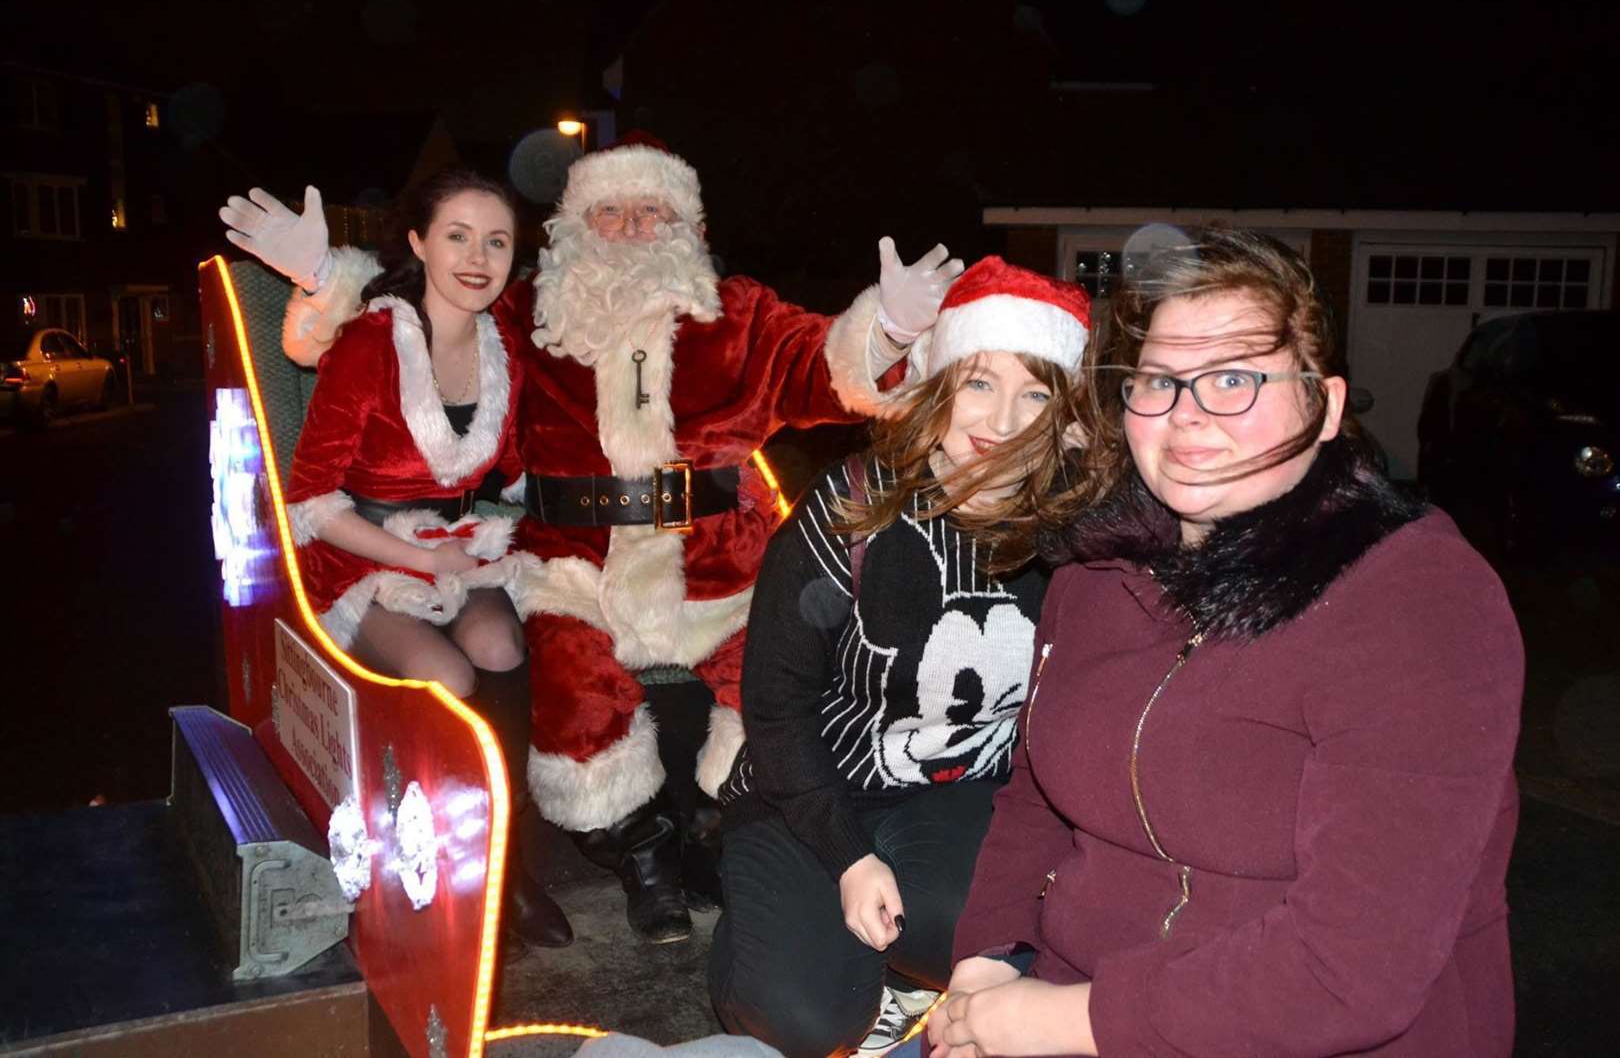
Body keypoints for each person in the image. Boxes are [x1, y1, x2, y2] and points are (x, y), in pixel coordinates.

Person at [220, 136, 962, 945]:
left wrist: (886, 327)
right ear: (574, 227)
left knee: (772, 684)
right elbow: (409, 315)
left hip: (715, 565)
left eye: (655, 211)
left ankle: (727, 830)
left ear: (689, 226)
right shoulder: (532, 312)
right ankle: (638, 851)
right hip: (571, 564)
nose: (633, 226)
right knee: (574, 691)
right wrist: (326, 275)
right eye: (610, 210)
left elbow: (824, 368)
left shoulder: (739, 313)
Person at [929, 229, 1522, 1057]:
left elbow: (1349, 968)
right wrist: (986, 963)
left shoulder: (1415, 602)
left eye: (1235, 379)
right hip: (1067, 1001)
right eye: (1161, 381)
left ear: (1327, 406)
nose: (1189, 416)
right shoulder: (1098, 576)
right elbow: (1033, 801)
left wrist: (1063, 1022)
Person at [709, 259, 1098, 1058]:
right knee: (806, 1021)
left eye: (1035, 394)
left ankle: (883, 954)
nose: (1002, 417)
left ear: (1064, 418)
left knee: (1008, 940)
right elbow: (775, 703)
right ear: (941, 384)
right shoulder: (856, 504)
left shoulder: (1077, 532)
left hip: (953, 799)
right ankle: (774, 935)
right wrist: (848, 858)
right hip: (810, 790)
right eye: (981, 383)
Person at [270, 168, 574, 952]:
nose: (478, 257)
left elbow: (508, 466)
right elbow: (310, 499)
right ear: (418, 243)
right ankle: (447, 864)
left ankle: (505, 864)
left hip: (450, 542)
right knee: (450, 675)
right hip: (360, 552)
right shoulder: (373, 340)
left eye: (497, 241)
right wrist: (413, 559)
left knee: (504, 644)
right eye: (457, 236)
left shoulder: (503, 343)